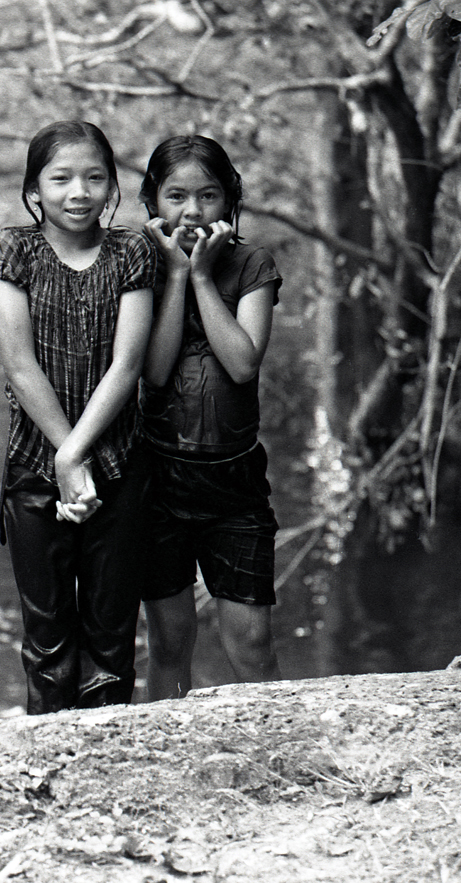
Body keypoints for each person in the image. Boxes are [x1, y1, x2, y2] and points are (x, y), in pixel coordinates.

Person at [0, 120, 157, 713]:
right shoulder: (14, 249)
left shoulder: (131, 251)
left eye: (93, 178)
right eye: (60, 179)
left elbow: (128, 364)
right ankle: (47, 767)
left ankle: (114, 763)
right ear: (35, 189)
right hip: (34, 469)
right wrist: (61, 456)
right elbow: (19, 365)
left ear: (112, 188)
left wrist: (74, 455)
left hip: (121, 463)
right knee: (48, 642)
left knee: (111, 640)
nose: (77, 192)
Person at [136, 134, 283, 700]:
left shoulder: (252, 263)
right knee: (170, 641)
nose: (192, 211)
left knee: (251, 642)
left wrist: (201, 276)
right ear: (152, 201)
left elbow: (244, 362)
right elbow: (153, 369)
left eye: (208, 196)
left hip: (235, 483)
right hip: (160, 478)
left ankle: (281, 753)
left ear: (230, 200)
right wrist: (175, 275)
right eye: (175, 196)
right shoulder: (141, 263)